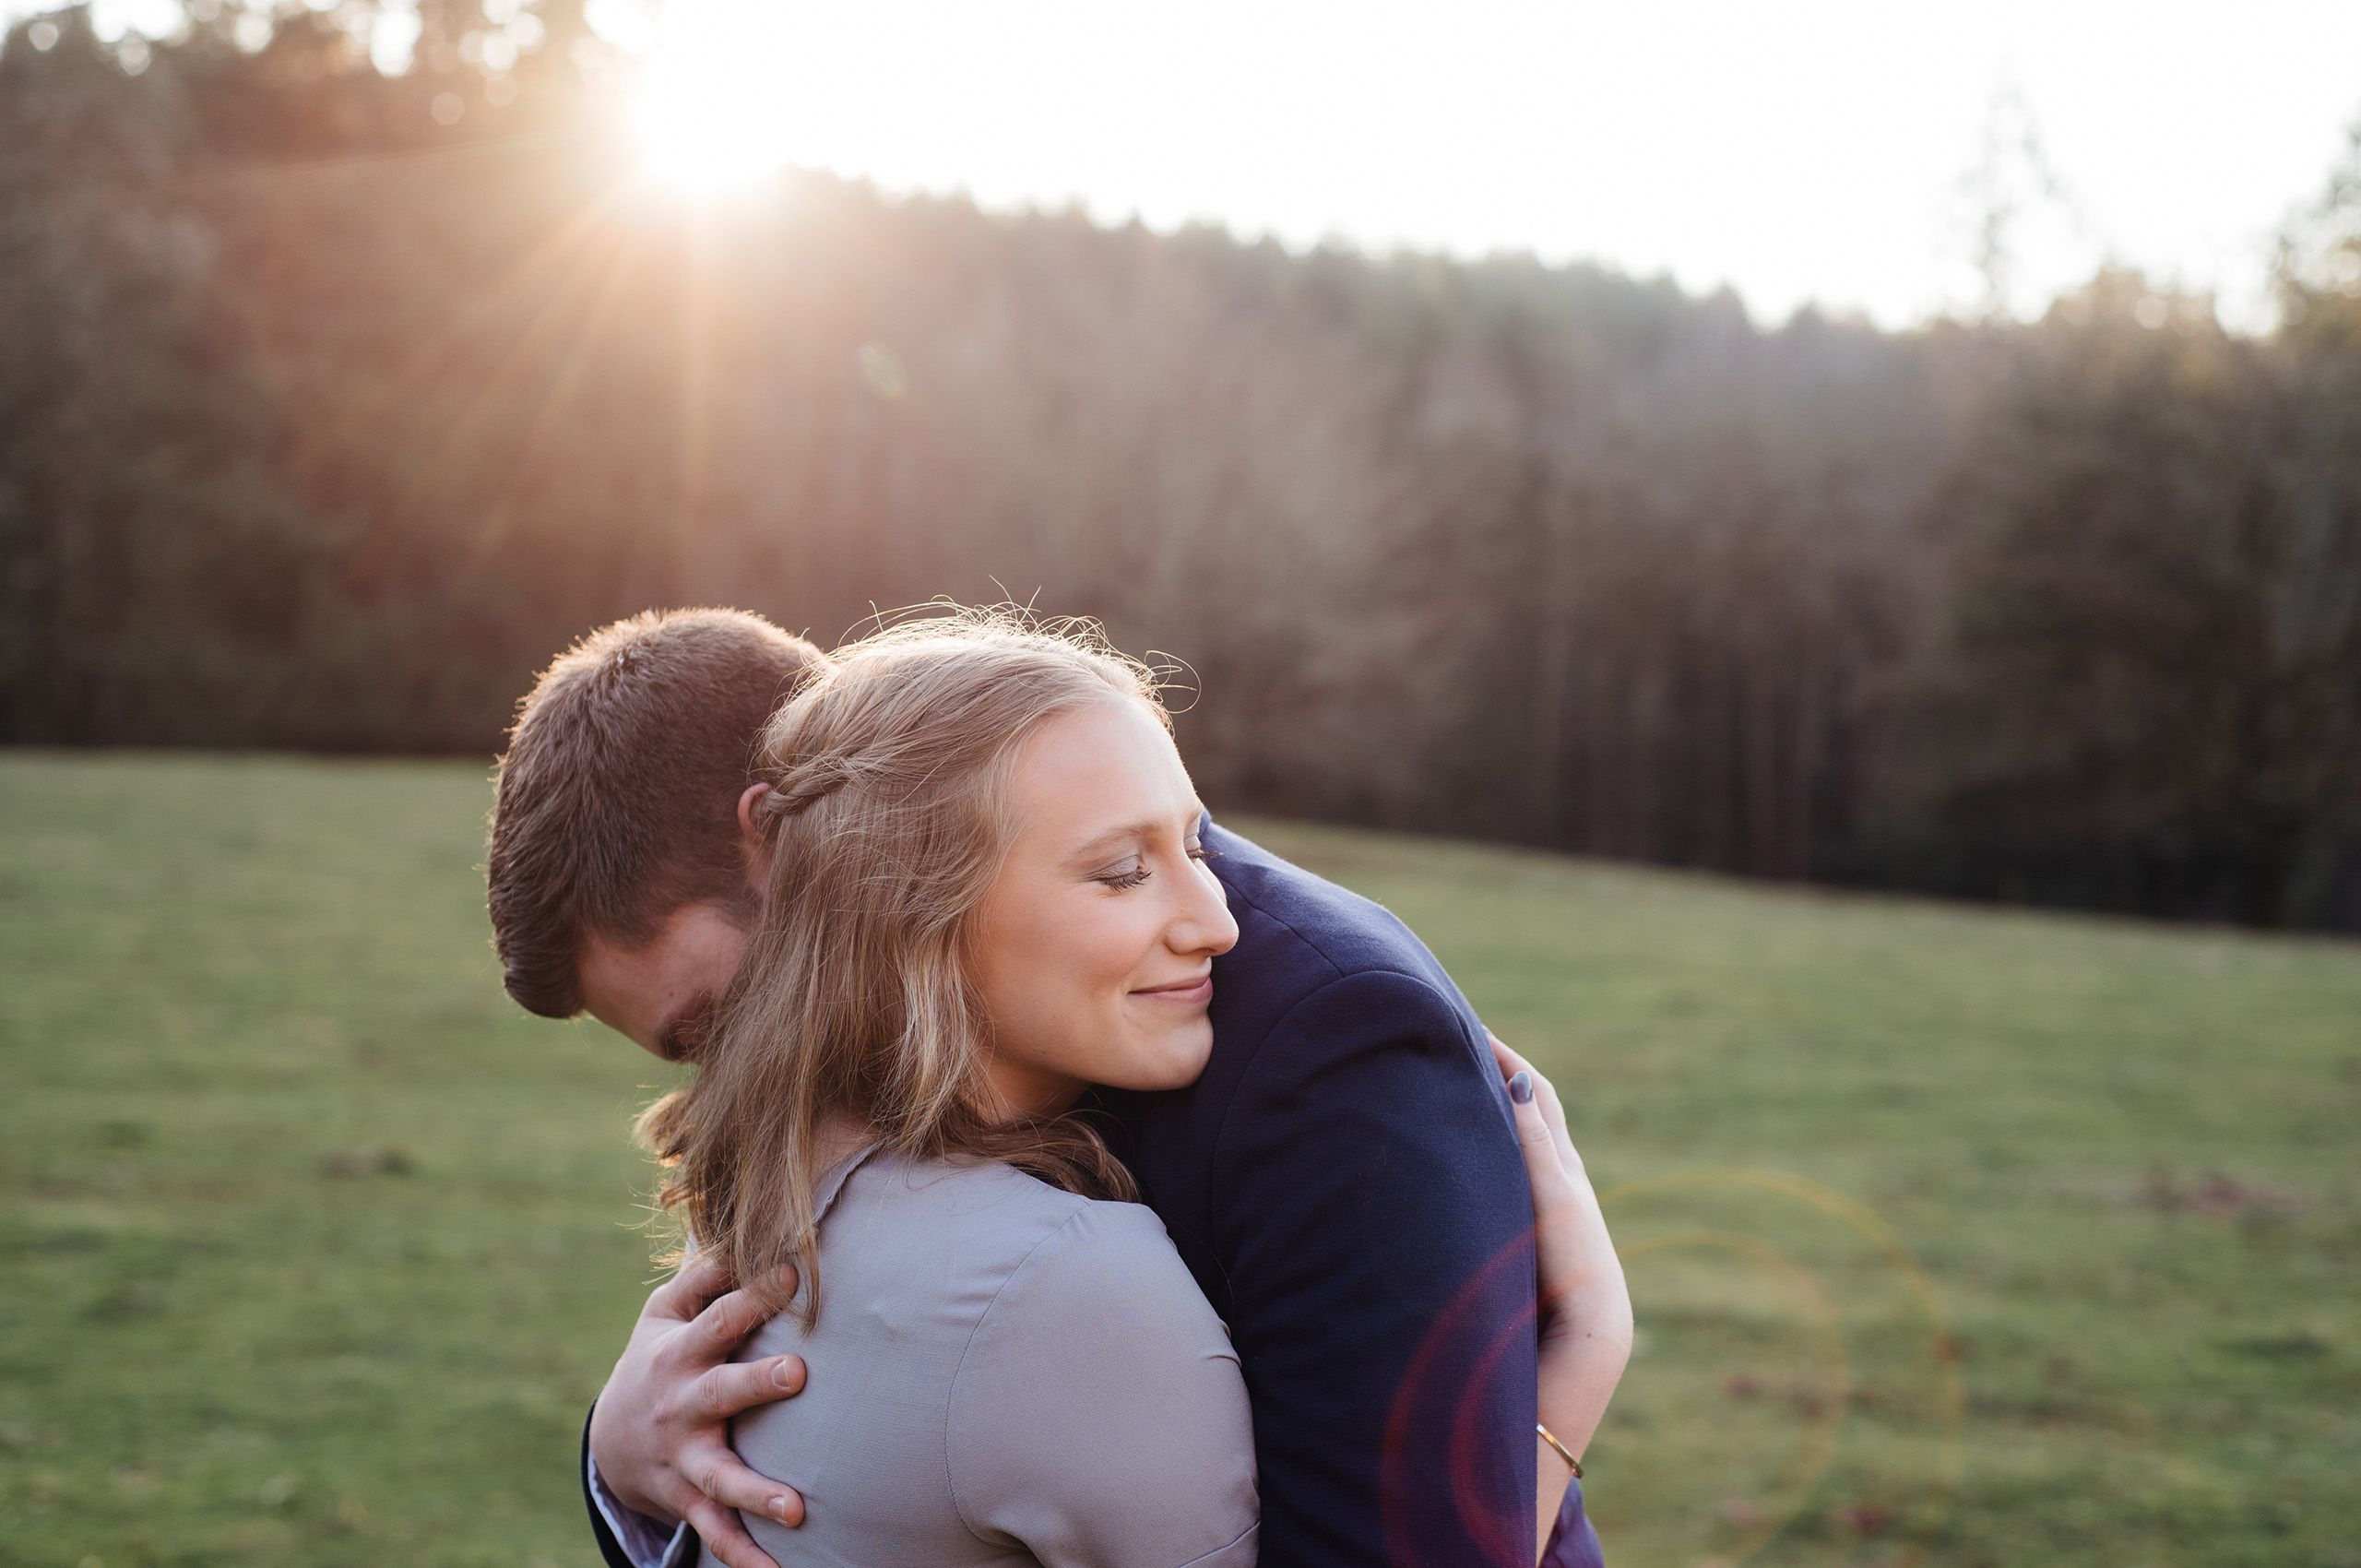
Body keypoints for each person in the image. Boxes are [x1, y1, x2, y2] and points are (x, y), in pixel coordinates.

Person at [487, 608, 1631, 1568]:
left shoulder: (1321, 1052)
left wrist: (1576, 1373)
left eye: (712, 1021)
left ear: (809, 852)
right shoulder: (912, 1101)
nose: (736, 1072)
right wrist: (618, 1453)